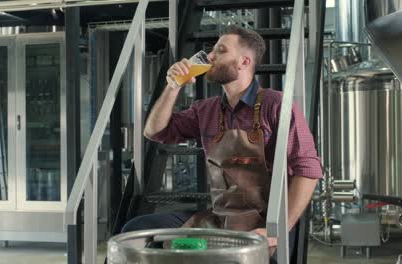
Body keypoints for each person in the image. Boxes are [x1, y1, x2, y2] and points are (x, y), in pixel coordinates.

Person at [122, 25, 322, 262]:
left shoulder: (275, 104)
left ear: (244, 62)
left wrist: (277, 230)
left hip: (267, 220)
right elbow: (154, 131)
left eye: (220, 50)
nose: (210, 56)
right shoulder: (205, 110)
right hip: (222, 217)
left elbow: (307, 170)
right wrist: (173, 86)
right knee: (135, 231)